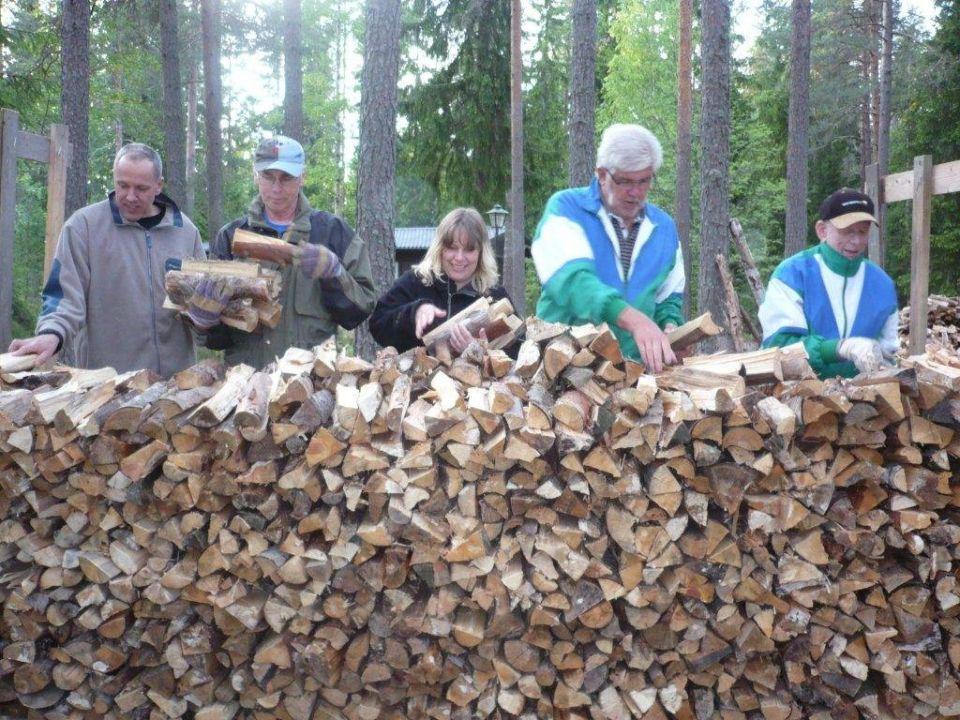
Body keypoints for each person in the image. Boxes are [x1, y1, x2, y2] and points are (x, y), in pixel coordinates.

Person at [7, 142, 206, 377]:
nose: (130, 196)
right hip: (108, 384)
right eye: (122, 185)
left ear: (158, 186)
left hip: (176, 385)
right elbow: (64, 296)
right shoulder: (84, 227)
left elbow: (200, 303)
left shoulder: (186, 232)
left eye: (141, 188)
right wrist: (51, 333)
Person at [205, 136, 376, 367]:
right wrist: (204, 318)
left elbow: (360, 310)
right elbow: (217, 339)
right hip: (245, 384)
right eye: (268, 177)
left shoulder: (332, 232)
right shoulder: (232, 236)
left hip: (311, 384)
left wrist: (335, 273)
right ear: (256, 176)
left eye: (287, 178)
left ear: (302, 177)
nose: (276, 188)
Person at [530, 124, 685, 372]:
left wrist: (671, 327)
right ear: (602, 174)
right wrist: (634, 320)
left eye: (644, 180)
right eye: (625, 181)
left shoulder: (664, 228)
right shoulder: (566, 209)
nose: (635, 192)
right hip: (564, 369)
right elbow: (574, 283)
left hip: (635, 377)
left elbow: (669, 297)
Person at [758, 188, 899, 378]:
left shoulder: (883, 285)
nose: (856, 241)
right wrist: (839, 349)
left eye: (863, 231)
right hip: (797, 394)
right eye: (847, 231)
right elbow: (779, 347)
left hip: (863, 398)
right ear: (822, 230)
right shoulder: (792, 274)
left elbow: (889, 352)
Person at [369, 207, 513, 355]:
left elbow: (519, 349)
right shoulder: (416, 281)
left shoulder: (495, 295)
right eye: (452, 248)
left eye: (469, 250)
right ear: (439, 248)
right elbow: (377, 325)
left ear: (481, 252)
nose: (459, 257)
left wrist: (479, 351)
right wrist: (413, 313)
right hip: (413, 377)